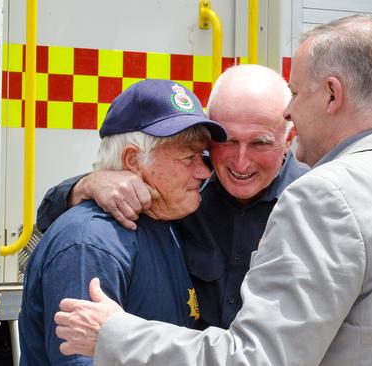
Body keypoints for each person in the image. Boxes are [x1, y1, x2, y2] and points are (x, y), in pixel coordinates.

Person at [53, 15, 372, 365]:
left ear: (331, 94)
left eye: (294, 93)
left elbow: (257, 359)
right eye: (221, 145)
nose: (290, 110)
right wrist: (84, 186)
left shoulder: (325, 196)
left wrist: (114, 334)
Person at [36, 64, 306, 329]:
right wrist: (86, 185)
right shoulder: (182, 196)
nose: (241, 162)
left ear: (289, 137)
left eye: (260, 143)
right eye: (228, 142)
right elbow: (56, 221)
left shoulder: (315, 206)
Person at [18, 79, 227, 365]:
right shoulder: (90, 242)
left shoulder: (168, 220)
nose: (205, 172)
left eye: (203, 156)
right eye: (189, 157)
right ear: (133, 160)